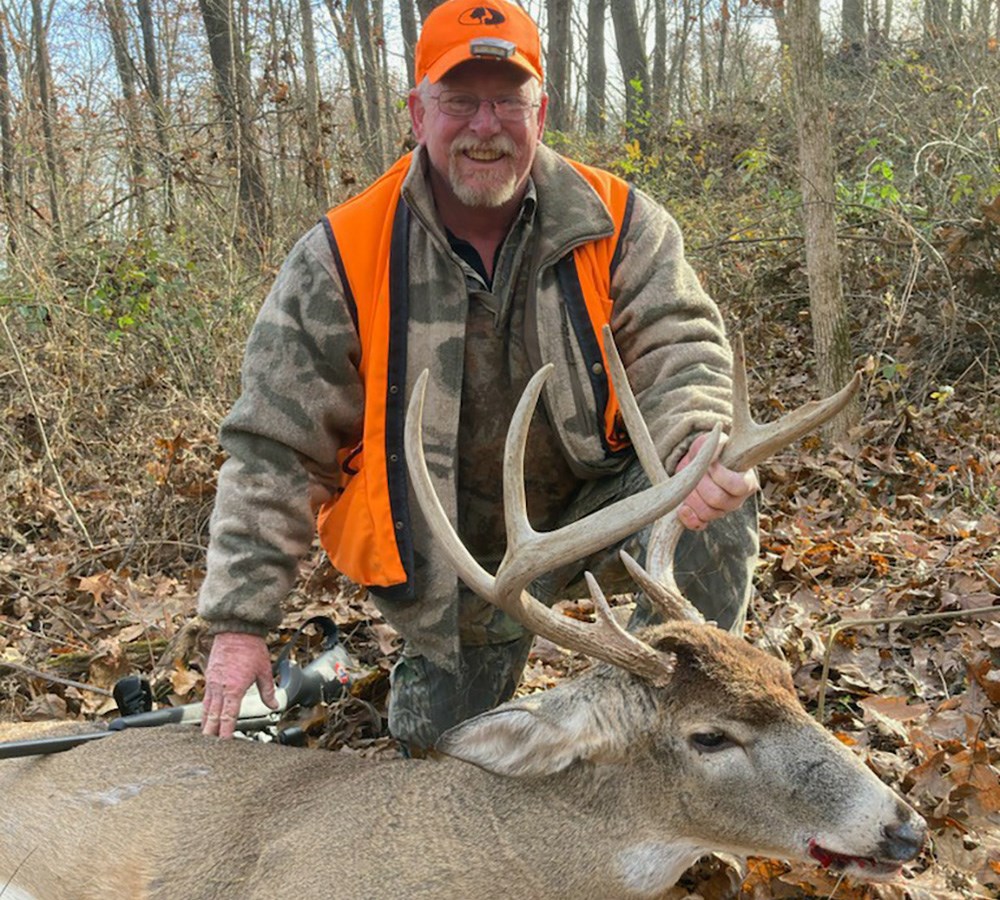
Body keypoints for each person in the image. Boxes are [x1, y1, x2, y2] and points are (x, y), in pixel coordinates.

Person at [197, 0, 759, 751]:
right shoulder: (341, 255)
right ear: (418, 112)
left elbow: (677, 341)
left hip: (598, 511)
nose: (485, 126)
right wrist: (240, 624)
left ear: (542, 110)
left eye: (507, 100)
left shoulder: (618, 220)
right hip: (451, 569)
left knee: (711, 494)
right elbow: (276, 447)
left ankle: (677, 733)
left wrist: (693, 436)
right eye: (460, 101)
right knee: (441, 765)